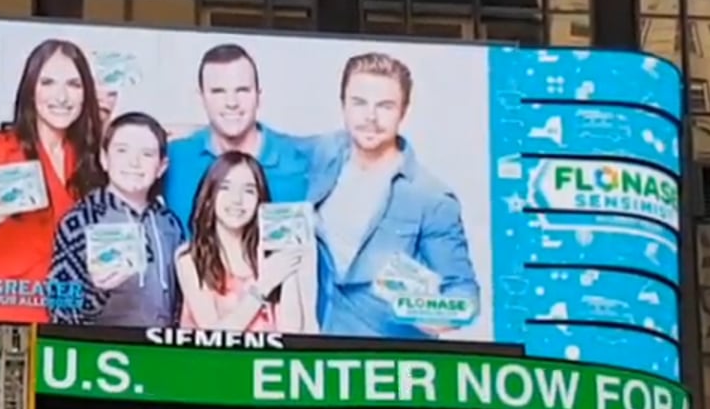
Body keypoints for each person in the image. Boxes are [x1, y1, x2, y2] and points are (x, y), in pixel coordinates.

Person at [307, 52, 479, 340]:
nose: (370, 117)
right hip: (318, 359)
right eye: (359, 103)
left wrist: (418, 306)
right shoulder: (317, 159)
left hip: (391, 363)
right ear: (343, 105)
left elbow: (464, 299)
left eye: (385, 106)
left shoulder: (431, 197)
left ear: (404, 110)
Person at [0, 38, 104, 323]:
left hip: (64, 319)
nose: (61, 97)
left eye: (73, 84)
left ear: (86, 94)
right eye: (48, 82)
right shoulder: (0, 148)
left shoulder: (92, 159)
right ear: (30, 90)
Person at [46, 111, 186, 327]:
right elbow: (59, 308)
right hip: (102, 351)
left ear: (161, 167)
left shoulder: (170, 224)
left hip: (160, 353)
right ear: (104, 159)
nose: (134, 163)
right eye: (122, 151)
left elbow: (180, 303)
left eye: (147, 154)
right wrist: (96, 292)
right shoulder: (81, 220)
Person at [164, 44, 314, 219]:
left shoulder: (300, 161)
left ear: (259, 96)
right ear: (201, 98)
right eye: (218, 92)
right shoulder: (174, 158)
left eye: (242, 90)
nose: (231, 102)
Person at [176, 151, 314, 333]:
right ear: (210, 197)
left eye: (249, 190)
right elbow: (213, 337)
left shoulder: (273, 253)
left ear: (260, 200)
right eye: (225, 188)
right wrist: (264, 286)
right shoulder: (190, 258)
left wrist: (289, 269)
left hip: (268, 360)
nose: (237, 200)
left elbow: (293, 331)